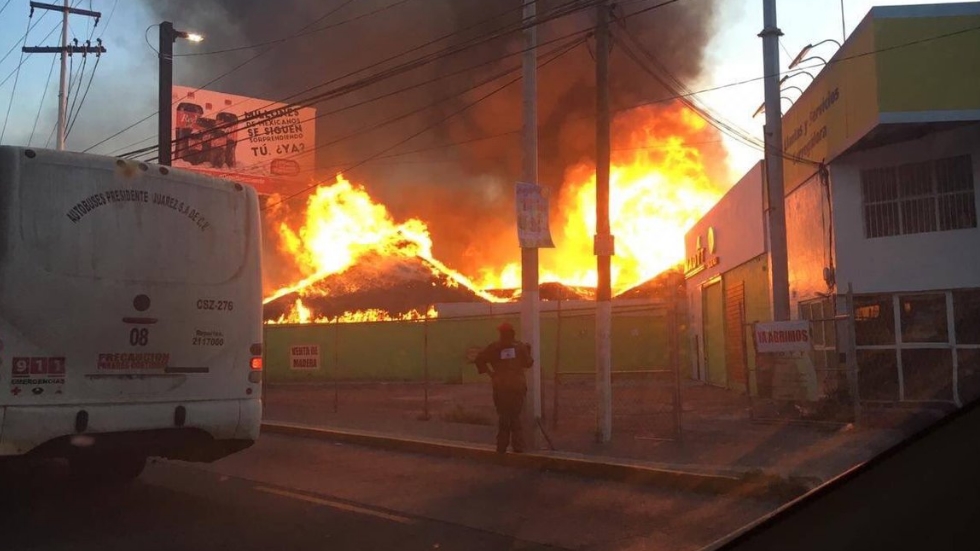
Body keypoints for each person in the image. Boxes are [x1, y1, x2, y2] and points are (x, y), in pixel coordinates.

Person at [474, 322, 533, 454]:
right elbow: (528, 363)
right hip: (517, 386)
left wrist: (491, 374)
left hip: (500, 387)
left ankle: (501, 447)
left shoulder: (494, 347)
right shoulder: (520, 347)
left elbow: (479, 360)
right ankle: (518, 447)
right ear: (513, 333)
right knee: (515, 416)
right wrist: (528, 351)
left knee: (504, 416)